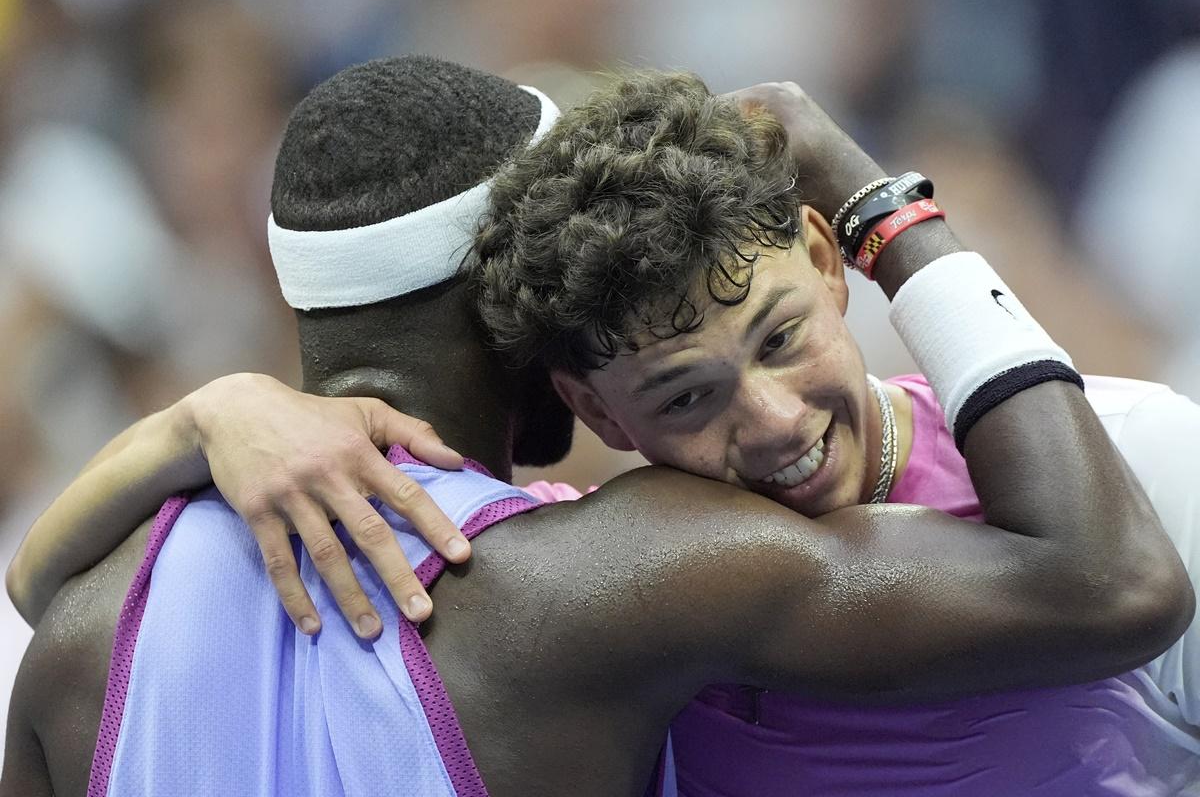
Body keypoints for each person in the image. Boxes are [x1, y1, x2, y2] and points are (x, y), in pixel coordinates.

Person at [2, 59, 1191, 796]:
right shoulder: (625, 570)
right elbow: (1113, 581)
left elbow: (33, 584)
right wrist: (879, 199)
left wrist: (196, 419)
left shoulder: (80, 633)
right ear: (529, 326)